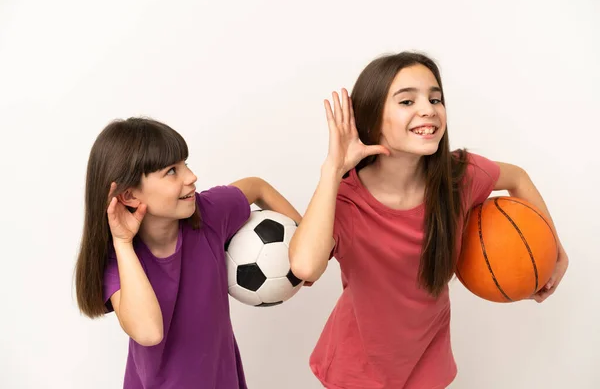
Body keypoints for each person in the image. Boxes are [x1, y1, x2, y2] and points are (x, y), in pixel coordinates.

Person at [289, 51, 569, 389]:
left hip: (427, 361)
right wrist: (332, 169)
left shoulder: (460, 177)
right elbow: (305, 266)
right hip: (357, 369)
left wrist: (553, 249)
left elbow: (518, 178)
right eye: (407, 101)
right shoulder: (345, 201)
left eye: (435, 98)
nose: (429, 109)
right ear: (373, 118)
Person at [74, 117, 302, 389]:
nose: (191, 177)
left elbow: (256, 186)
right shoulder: (119, 261)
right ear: (129, 196)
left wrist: (301, 246)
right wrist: (123, 244)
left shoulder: (208, 214)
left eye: (186, 164)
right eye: (172, 171)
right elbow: (149, 332)